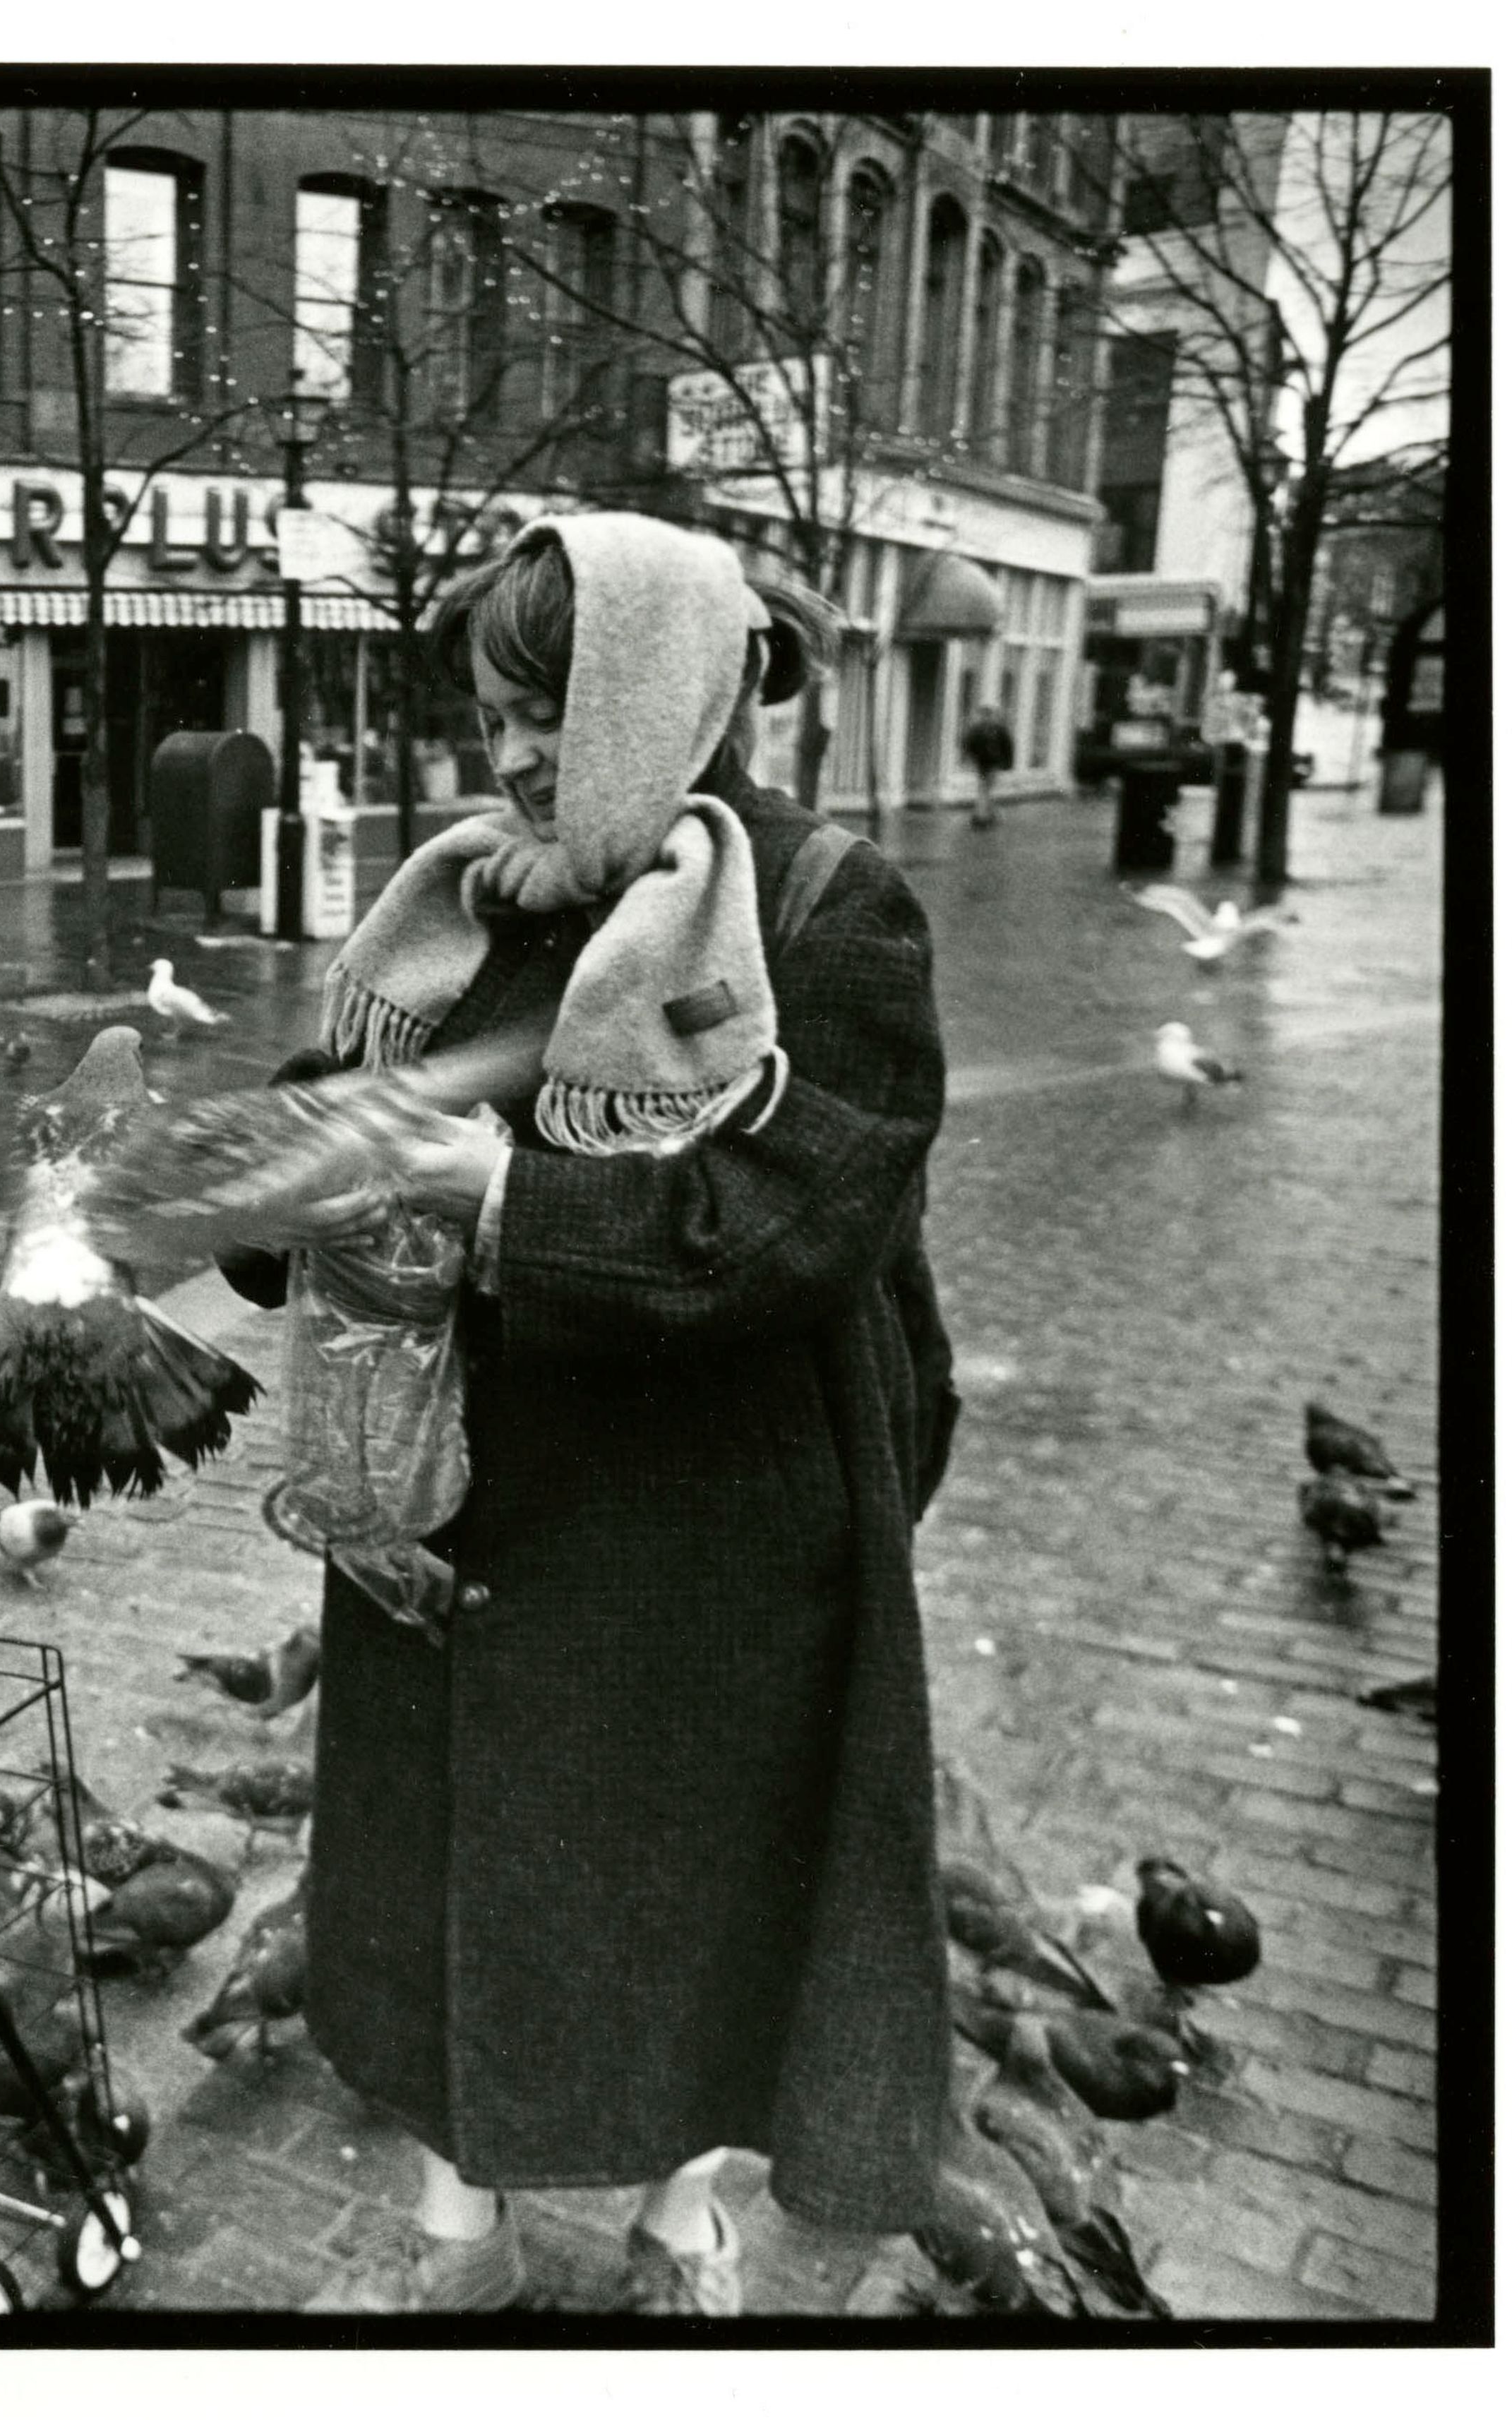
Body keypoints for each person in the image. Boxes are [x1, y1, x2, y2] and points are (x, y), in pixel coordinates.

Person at [224, 513, 956, 2316]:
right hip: (451, 1514)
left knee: (695, 1900)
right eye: (490, 714)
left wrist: (495, 1200)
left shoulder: (823, 905)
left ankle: (678, 2215)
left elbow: (791, 1225)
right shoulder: (470, 903)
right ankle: (457, 2227)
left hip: (700, 1537)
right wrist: (240, 1176)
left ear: (658, 687)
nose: (510, 755)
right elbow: (331, 1124)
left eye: (548, 709)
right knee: (443, 1883)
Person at [959, 699, 1016, 829]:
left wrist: (1007, 762)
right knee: (986, 789)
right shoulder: (986, 730)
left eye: (988, 714)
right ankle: (984, 816)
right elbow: (968, 745)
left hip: (990, 763)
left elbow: (1007, 746)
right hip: (986, 763)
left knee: (985, 789)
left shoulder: (991, 730)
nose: (987, 717)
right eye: (985, 714)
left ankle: (983, 815)